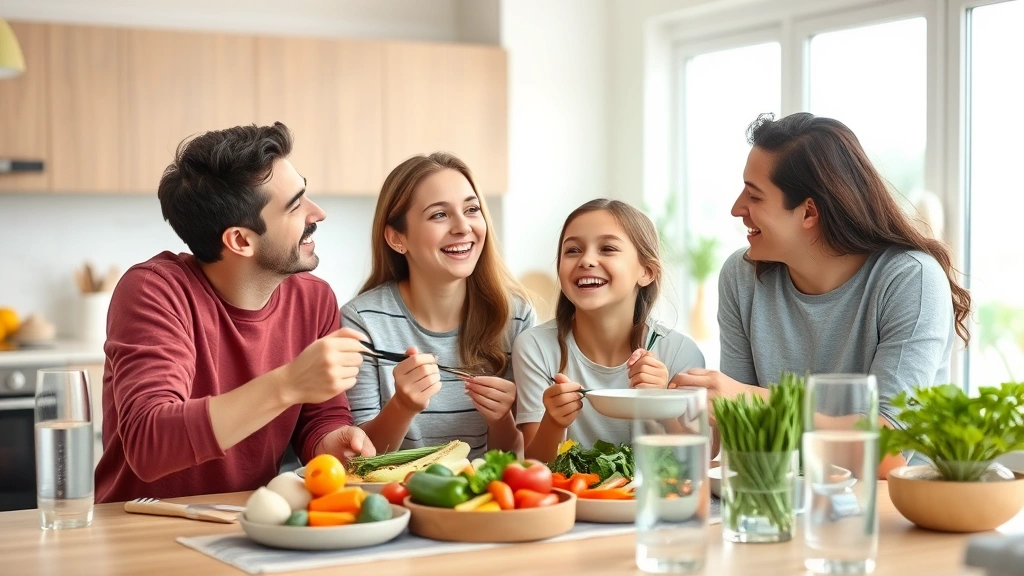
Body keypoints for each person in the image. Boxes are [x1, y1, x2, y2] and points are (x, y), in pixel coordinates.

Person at [672, 112, 971, 476]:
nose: (737, 209)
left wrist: (752, 402)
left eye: (754, 195)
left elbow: (886, 451)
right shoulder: (742, 276)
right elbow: (741, 436)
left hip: (892, 512)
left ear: (809, 212)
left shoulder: (910, 279)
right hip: (782, 500)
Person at [95, 123, 374, 503]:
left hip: (247, 524)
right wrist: (288, 383)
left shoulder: (314, 300)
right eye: (295, 206)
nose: (318, 213)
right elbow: (148, 442)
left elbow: (319, 420)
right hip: (139, 527)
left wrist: (332, 440)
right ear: (240, 240)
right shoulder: (155, 291)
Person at [341, 152, 535, 460]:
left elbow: (515, 459)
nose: (462, 227)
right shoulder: (362, 322)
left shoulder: (516, 318)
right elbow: (360, 459)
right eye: (439, 215)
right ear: (396, 238)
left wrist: (501, 420)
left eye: (472, 209)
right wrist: (402, 407)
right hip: (394, 502)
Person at [514, 199, 705, 463]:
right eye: (572, 250)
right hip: (574, 501)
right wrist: (554, 422)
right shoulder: (534, 347)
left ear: (647, 271)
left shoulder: (679, 353)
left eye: (607, 248)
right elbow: (535, 465)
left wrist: (662, 402)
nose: (587, 260)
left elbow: (698, 461)